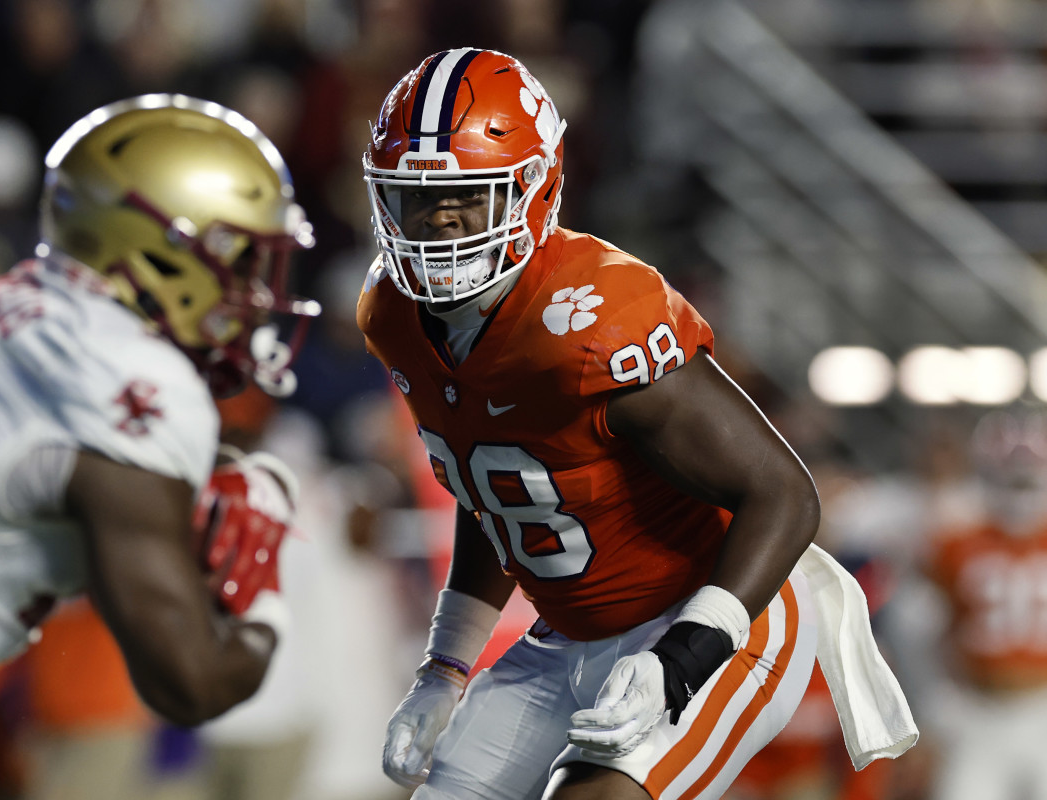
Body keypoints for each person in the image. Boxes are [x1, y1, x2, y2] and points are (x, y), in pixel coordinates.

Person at [357, 48, 918, 800]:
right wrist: (444, 667)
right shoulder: (393, 314)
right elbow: (493, 490)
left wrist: (681, 657)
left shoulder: (588, 322)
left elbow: (784, 494)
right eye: (418, 197)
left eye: (468, 194)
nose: (440, 219)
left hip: (712, 616)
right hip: (565, 637)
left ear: (533, 188)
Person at [0, 93, 320, 798]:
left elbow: (71, 471)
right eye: (237, 257)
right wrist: (264, 595)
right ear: (159, 251)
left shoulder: (25, 299)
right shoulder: (135, 378)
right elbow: (191, 682)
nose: (251, 291)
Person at [918, 406, 1047, 800]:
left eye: (1027, 480)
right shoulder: (955, 541)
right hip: (978, 710)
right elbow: (921, 628)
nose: (1018, 493)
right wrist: (935, 694)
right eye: (1009, 479)